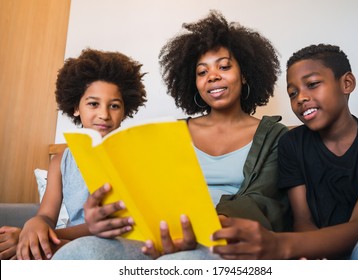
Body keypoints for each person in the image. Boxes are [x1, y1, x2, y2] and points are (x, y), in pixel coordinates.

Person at [52, 10, 291, 260]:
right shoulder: (170, 133)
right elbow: (143, 194)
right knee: (80, 253)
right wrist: (103, 219)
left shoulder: (274, 136)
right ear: (193, 82)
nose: (213, 76)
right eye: (202, 72)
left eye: (224, 66)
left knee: (183, 262)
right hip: (160, 236)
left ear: (244, 74)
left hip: (224, 237)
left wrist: (205, 223)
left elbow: (265, 200)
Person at [209, 44, 358, 259]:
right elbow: (303, 221)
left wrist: (281, 245)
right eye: (292, 93)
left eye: (312, 84)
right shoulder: (291, 144)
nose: (300, 98)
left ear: (347, 83)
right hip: (316, 252)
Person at [13, 48, 146, 260]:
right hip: (70, 244)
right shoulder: (62, 160)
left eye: (114, 106)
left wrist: (46, 236)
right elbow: (47, 215)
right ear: (76, 107)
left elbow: (120, 224)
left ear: (125, 110)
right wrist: (34, 224)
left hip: (118, 245)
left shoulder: (135, 155)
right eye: (93, 104)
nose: (104, 114)